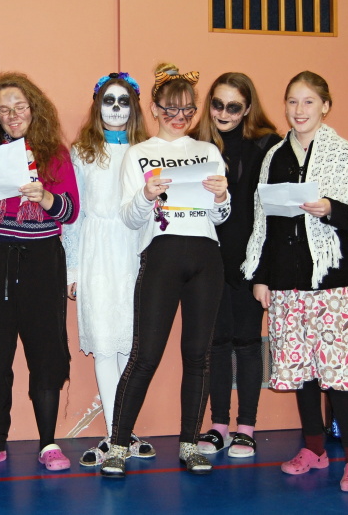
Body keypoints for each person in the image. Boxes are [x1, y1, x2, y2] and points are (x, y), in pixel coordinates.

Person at [242, 71, 348, 492]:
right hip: (286, 281)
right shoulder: (275, 155)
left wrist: (329, 208)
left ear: (325, 106)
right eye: (292, 101)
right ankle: (314, 449)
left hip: (332, 280)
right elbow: (263, 222)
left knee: (336, 372)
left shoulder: (343, 153)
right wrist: (261, 278)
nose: (299, 110)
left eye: (308, 102)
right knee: (301, 370)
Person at [100, 63, 230, 478]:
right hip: (161, 254)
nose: (179, 117)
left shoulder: (208, 152)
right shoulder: (138, 153)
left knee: (198, 355)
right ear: (154, 109)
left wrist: (222, 197)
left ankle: (190, 444)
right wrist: (146, 194)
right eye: (171, 109)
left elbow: (221, 217)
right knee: (145, 355)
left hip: (206, 256)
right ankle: (118, 445)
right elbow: (129, 218)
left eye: (187, 110)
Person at [0, 72, 79, 471]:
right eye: (4, 109)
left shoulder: (55, 154)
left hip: (42, 260)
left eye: (19, 107)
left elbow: (70, 211)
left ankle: (48, 443)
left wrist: (45, 196)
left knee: (46, 353)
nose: (13, 115)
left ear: (34, 109)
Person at [62, 72, 155, 466]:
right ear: (97, 105)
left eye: (123, 101)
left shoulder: (146, 152)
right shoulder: (82, 153)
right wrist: (72, 269)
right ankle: (117, 434)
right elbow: (74, 216)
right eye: (108, 101)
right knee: (104, 342)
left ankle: (122, 430)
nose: (116, 108)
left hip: (134, 252)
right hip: (96, 254)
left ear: (134, 108)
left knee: (129, 344)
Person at [190, 73, 281, 458]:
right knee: (215, 342)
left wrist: (264, 269)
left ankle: (246, 427)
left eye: (233, 107)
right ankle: (219, 426)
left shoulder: (268, 145)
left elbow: (273, 213)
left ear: (247, 109)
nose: (223, 113)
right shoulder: (195, 144)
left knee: (247, 342)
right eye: (217, 104)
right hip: (208, 259)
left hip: (250, 260)